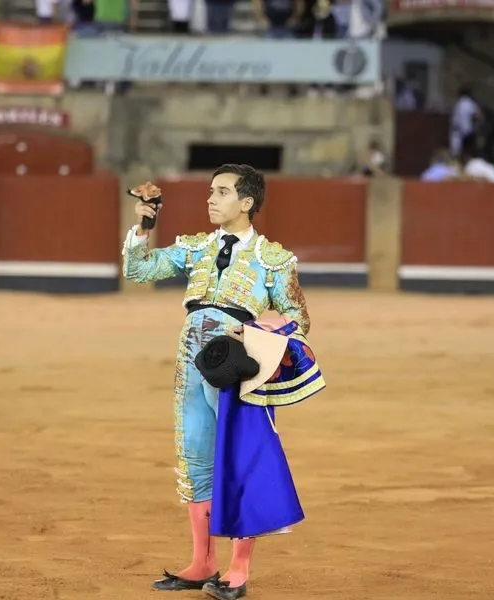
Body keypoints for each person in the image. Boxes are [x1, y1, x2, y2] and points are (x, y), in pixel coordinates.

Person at [122, 164, 313, 600]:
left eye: (222, 192)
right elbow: (139, 271)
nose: (210, 199)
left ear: (246, 202)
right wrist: (145, 226)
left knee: (240, 459)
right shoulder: (196, 248)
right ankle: (202, 561)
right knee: (195, 456)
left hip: (240, 366)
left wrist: (259, 331)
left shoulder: (273, 259)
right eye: (211, 191)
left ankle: (238, 569)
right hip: (192, 361)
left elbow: (298, 319)